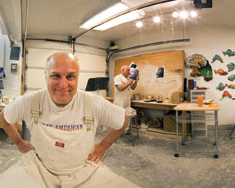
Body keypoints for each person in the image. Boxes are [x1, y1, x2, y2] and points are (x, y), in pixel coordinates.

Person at [0, 52, 137, 187]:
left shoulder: (92, 102)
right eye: (56, 76)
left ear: (77, 78)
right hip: (39, 168)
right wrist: (19, 142)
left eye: (70, 76)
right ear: (46, 76)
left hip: (83, 170)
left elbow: (123, 120)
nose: (63, 84)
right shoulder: (31, 101)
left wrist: (102, 147)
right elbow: (4, 118)